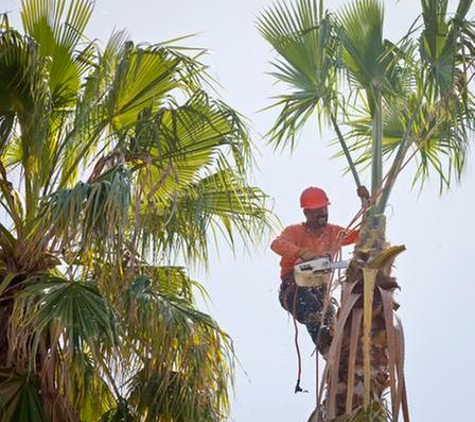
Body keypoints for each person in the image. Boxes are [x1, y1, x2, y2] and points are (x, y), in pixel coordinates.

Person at [270, 186, 367, 354]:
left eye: (325, 208)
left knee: (329, 315)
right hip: (294, 288)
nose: (323, 213)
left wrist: (367, 204)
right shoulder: (295, 231)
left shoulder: (333, 232)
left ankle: (337, 354)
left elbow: (361, 234)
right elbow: (276, 244)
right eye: (318, 210)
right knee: (312, 306)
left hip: (320, 292)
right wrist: (301, 253)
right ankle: (326, 346)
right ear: (306, 213)